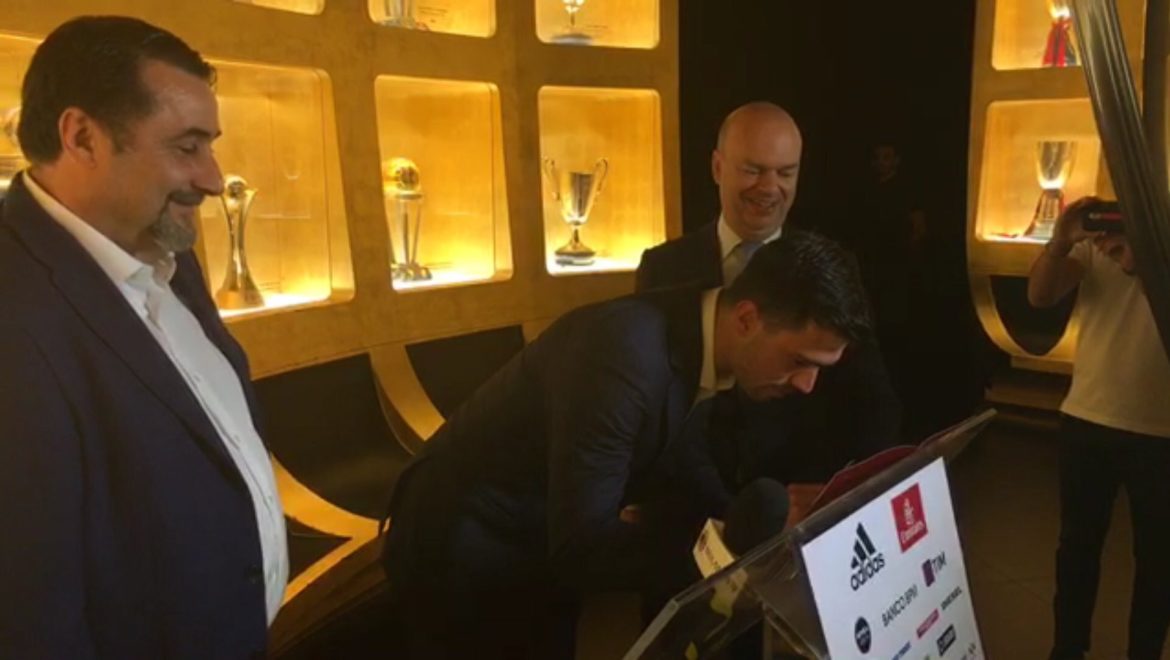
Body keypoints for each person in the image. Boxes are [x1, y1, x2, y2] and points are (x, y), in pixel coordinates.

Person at [382, 230, 872, 659]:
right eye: (799, 361)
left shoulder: (698, 329)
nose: (807, 385)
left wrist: (753, 534)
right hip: (459, 544)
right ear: (747, 319)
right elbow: (581, 548)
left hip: (532, 536)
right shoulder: (622, 358)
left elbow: (684, 456)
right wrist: (717, 561)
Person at [0, 16, 287, 659]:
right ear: (82, 137)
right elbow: (29, 615)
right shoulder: (13, 312)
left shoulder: (167, 248)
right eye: (187, 147)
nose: (213, 178)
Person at [636, 102, 901, 498]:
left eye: (785, 173)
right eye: (753, 170)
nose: (769, 187)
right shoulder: (664, 267)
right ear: (717, 168)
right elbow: (651, 400)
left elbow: (872, 398)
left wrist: (849, 493)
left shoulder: (833, 267)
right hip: (691, 499)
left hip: (799, 496)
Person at [1027, 197, 1170, 660]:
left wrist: (1138, 263)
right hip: (1088, 415)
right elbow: (1040, 296)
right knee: (1077, 549)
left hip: (1162, 429)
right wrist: (1059, 242)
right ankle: (1067, 649)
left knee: (1158, 559)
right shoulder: (1097, 238)